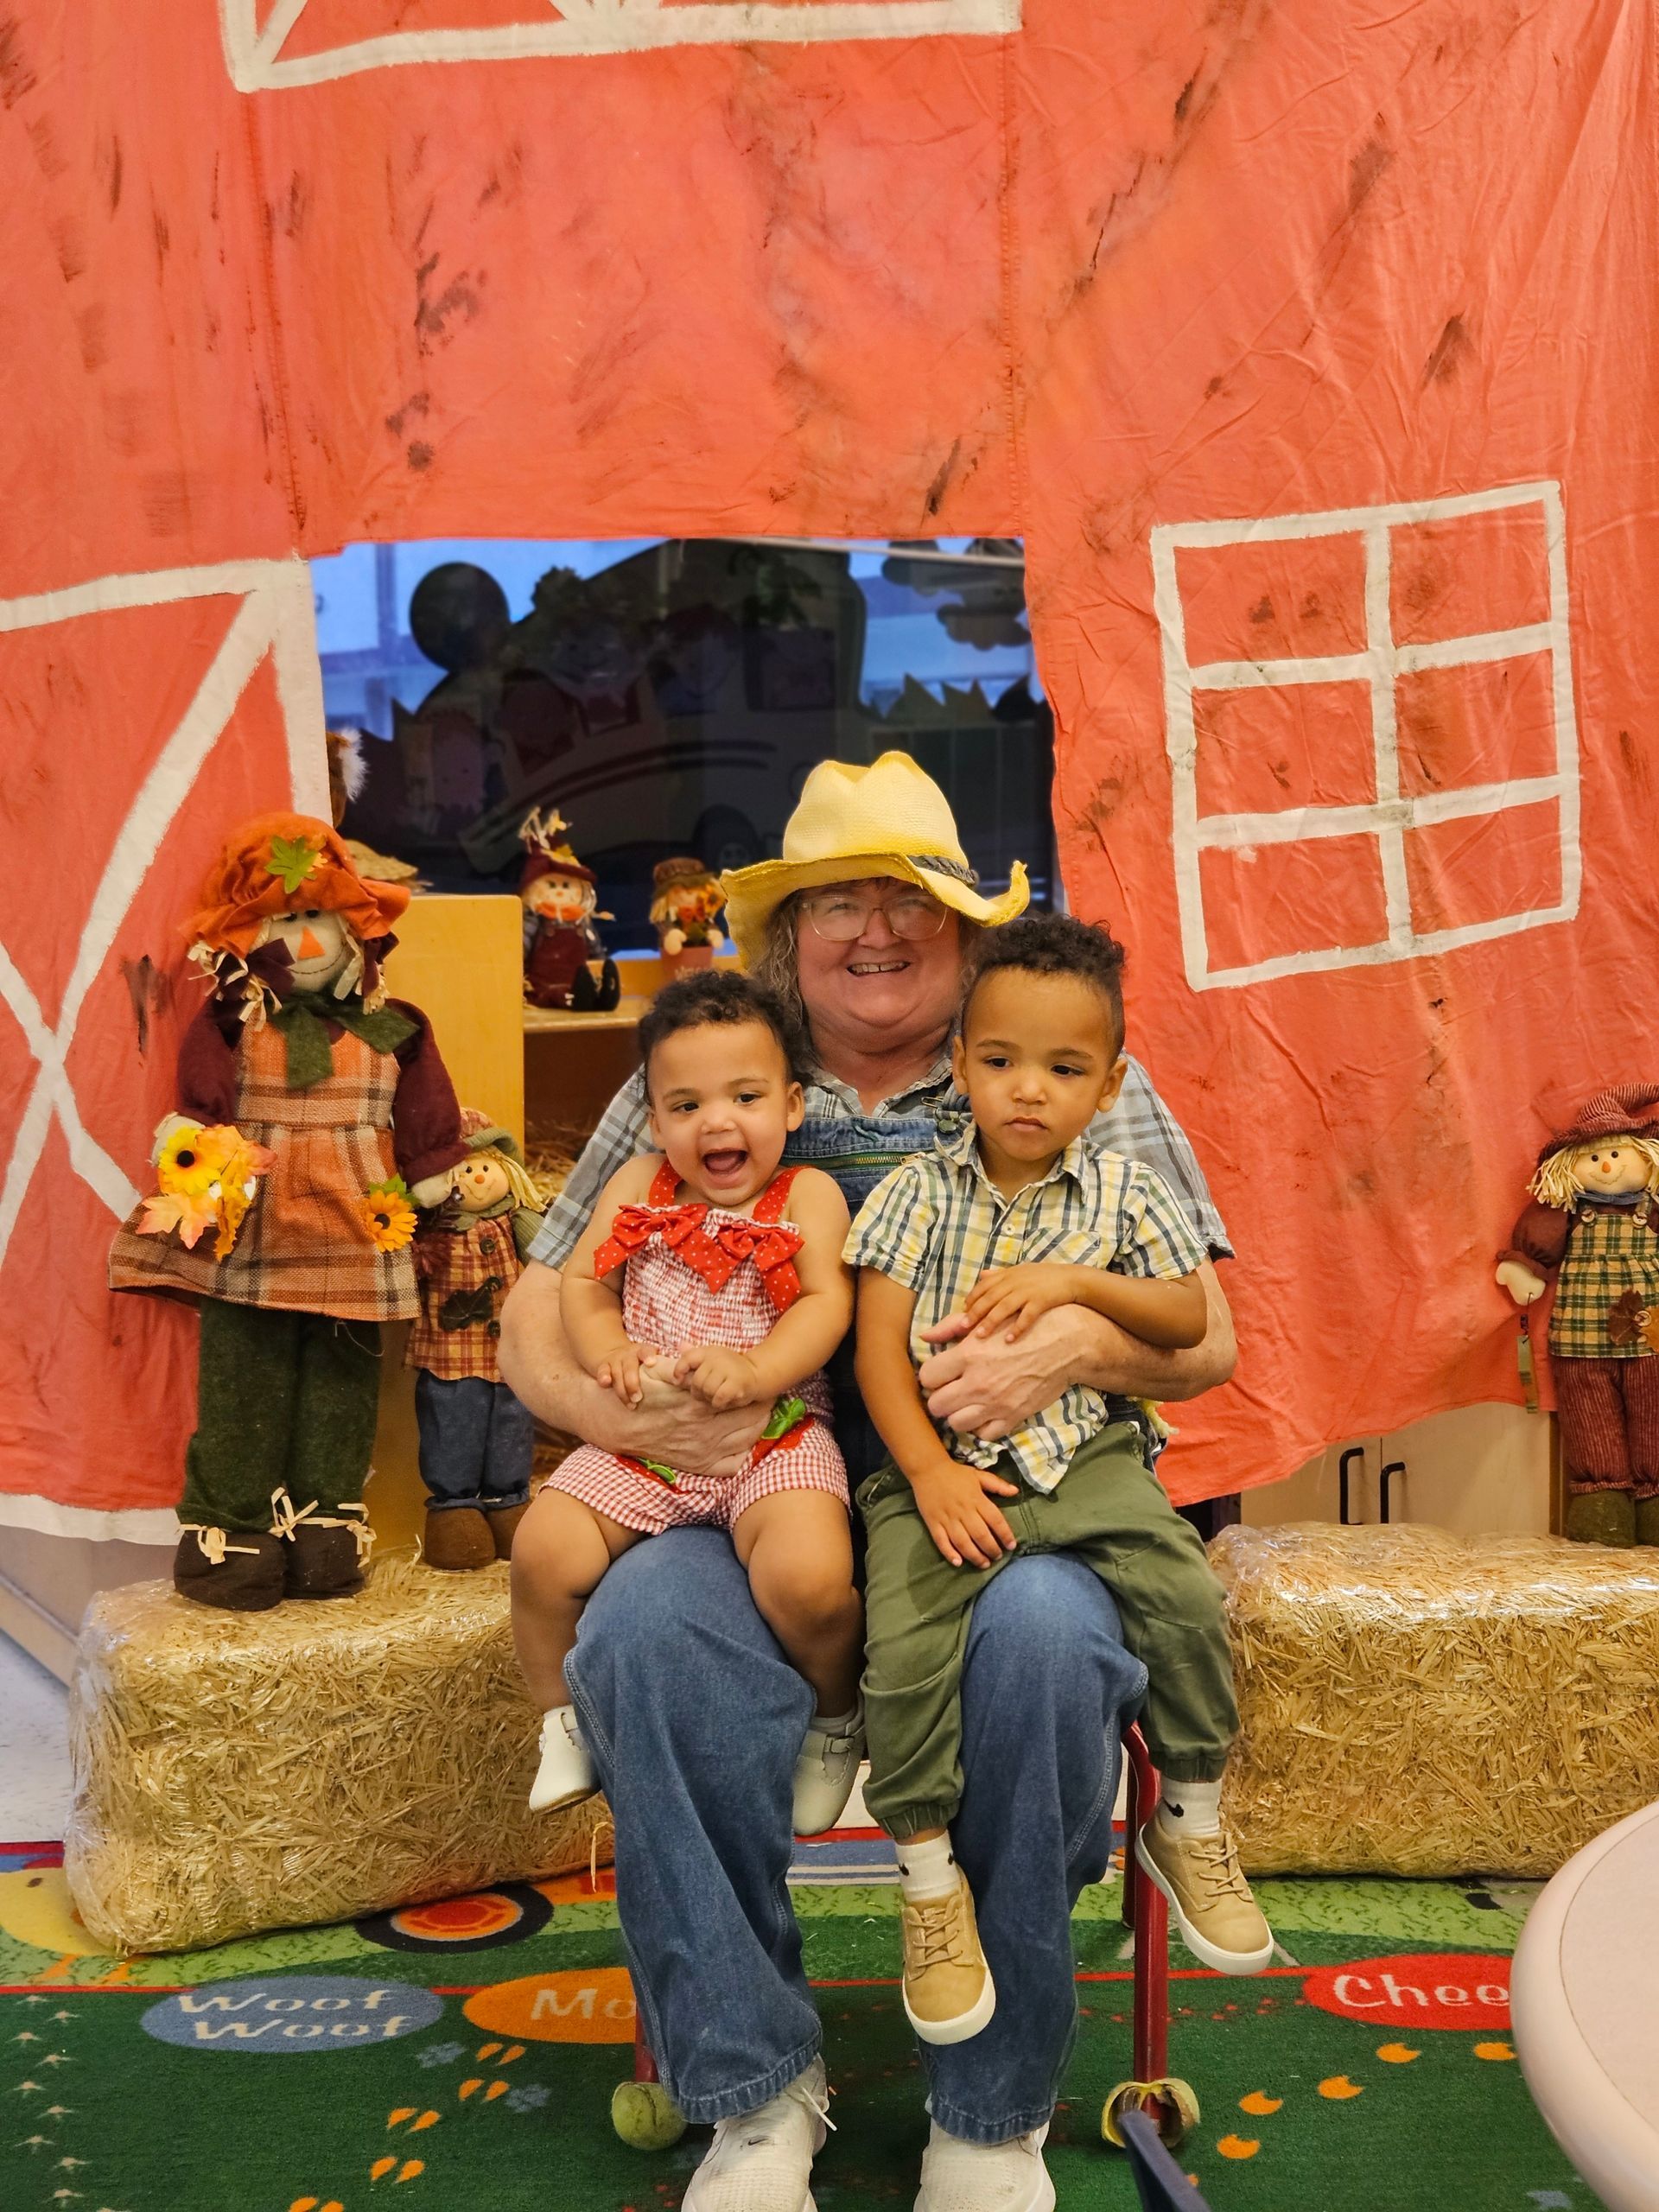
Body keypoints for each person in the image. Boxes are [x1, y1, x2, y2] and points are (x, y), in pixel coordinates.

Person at [499, 752, 1239, 2212]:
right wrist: (627, 1408)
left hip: (1027, 1490)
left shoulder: (1054, 1039)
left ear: (962, 925)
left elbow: (1208, 1331)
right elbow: (537, 1310)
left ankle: (993, 2102)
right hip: (746, 1478)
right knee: (645, 1636)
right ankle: (752, 2091)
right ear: (787, 935)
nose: (877, 933)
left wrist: (1071, 1337)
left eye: (909, 902)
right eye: (841, 904)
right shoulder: (710, 1060)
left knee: (1043, 1642)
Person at [849, 913, 1271, 2049]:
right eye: (999, 1062)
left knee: (1184, 1600)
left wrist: (1075, 1281)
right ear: (961, 1064)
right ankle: (929, 1883)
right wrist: (928, 1471)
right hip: (944, 1473)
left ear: (1111, 1081)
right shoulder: (917, 1193)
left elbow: (1188, 1317)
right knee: (903, 1653)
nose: (1027, 1090)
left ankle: (1187, 1817)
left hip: (1084, 1458)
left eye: (1064, 1068)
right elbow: (876, 1348)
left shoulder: (1126, 1193)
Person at [511, 972, 862, 1831]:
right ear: (655, 1118)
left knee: (809, 1581)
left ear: (790, 1105)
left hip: (773, 1436)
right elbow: (586, 1288)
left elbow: (826, 1301)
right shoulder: (636, 1184)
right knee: (543, 1552)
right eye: (686, 1102)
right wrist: (610, 1356)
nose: (717, 1121)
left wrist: (762, 1370)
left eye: (745, 1096)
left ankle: (833, 1712)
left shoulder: (805, 1196)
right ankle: (560, 1715)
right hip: (647, 1442)